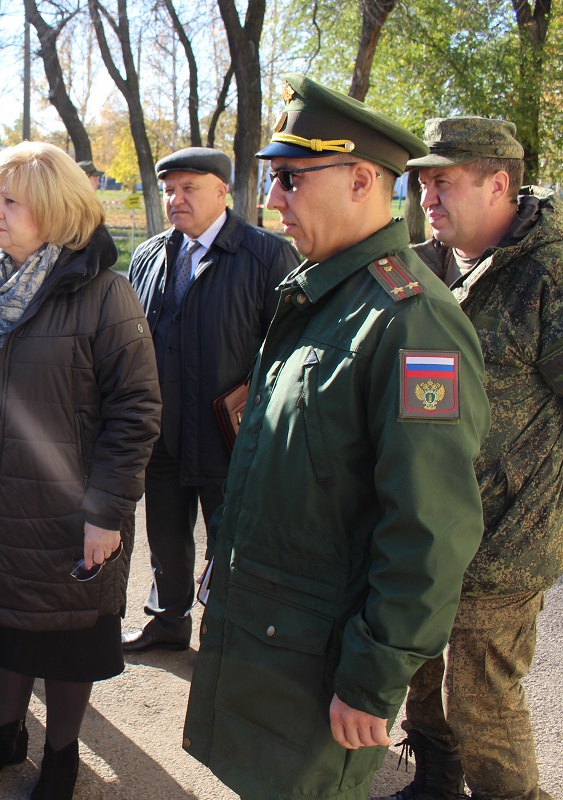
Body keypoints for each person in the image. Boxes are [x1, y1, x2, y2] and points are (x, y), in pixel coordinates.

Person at [181, 74, 492, 799]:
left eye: (289, 178)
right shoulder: (318, 296)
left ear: (361, 181)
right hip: (266, 637)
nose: (271, 200)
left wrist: (375, 674)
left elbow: (429, 528)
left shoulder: (414, 325)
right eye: (271, 179)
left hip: (316, 659)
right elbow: (272, 457)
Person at [0, 142, 161, 799]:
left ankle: (61, 752)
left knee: (68, 639)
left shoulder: (105, 293)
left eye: (8, 200)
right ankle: (5, 733)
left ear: (50, 210)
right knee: (2, 629)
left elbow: (135, 413)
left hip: (69, 510)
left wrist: (106, 512)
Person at [373, 117, 563, 800]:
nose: (427, 196)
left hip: (505, 538)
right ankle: (435, 777)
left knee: (482, 703)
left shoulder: (547, 272)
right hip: (427, 525)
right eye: (422, 182)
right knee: (417, 666)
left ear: (499, 185)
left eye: (443, 182)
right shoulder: (426, 264)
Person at [123, 147, 298, 653]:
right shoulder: (150, 255)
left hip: (229, 438)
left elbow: (285, 350)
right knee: (166, 534)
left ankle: (229, 636)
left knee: (233, 543)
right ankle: (167, 619)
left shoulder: (266, 255)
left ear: (223, 192)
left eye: (189, 189)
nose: (176, 200)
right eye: (170, 190)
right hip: (163, 434)